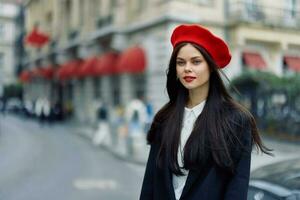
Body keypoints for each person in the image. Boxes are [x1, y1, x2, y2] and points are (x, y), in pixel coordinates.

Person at [139, 24, 272, 200]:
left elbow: (236, 188)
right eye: (181, 62)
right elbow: (150, 182)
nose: (187, 68)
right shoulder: (165, 118)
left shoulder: (236, 120)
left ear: (210, 66)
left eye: (196, 61)